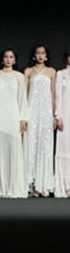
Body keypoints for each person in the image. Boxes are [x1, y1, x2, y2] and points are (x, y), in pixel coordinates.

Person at [0, 48, 28, 198]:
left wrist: (23, 118)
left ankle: (13, 188)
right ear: (2, 59)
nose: (8, 60)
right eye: (6, 57)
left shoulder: (19, 76)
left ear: (14, 60)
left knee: (13, 150)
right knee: (0, 150)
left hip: (13, 116)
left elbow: (22, 98)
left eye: (11, 57)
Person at [24, 42, 56, 197]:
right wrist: (23, 116)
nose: (40, 56)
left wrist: (54, 115)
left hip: (46, 113)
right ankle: (32, 184)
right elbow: (24, 95)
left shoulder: (51, 72)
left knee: (45, 147)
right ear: (34, 55)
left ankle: (43, 185)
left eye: (43, 53)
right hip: (31, 112)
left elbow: (53, 94)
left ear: (46, 55)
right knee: (31, 146)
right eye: (38, 53)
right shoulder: (28, 71)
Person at [54, 47, 70, 198]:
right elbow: (57, 96)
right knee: (65, 148)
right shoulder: (61, 74)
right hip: (65, 114)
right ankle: (65, 185)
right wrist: (57, 116)